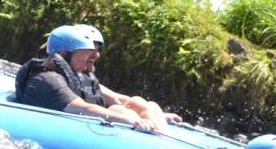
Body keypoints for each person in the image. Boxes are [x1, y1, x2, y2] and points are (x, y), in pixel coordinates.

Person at [15, 24, 181, 132]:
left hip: (77, 123)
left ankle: (162, 136)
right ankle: (161, 142)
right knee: (119, 111)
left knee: (139, 102)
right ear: (64, 53)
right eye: (86, 52)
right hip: (60, 130)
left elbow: (118, 99)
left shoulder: (74, 74)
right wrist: (133, 121)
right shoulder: (48, 80)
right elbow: (85, 109)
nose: (94, 56)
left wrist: (155, 115)